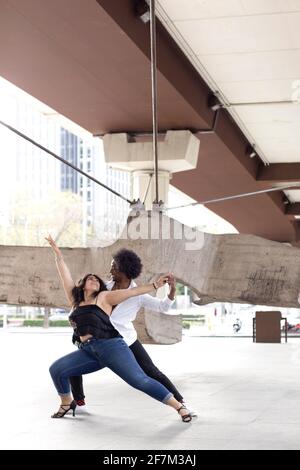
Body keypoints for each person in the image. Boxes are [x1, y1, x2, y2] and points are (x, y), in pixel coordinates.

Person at [46, 235, 193, 423]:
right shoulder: (80, 297)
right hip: (89, 348)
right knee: (58, 369)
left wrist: (158, 286)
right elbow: (64, 275)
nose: (99, 276)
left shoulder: (105, 296)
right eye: (89, 279)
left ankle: (180, 406)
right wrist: (58, 254)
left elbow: (134, 293)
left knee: (142, 378)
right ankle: (69, 402)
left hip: (115, 344)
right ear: (82, 285)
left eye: (113, 266)